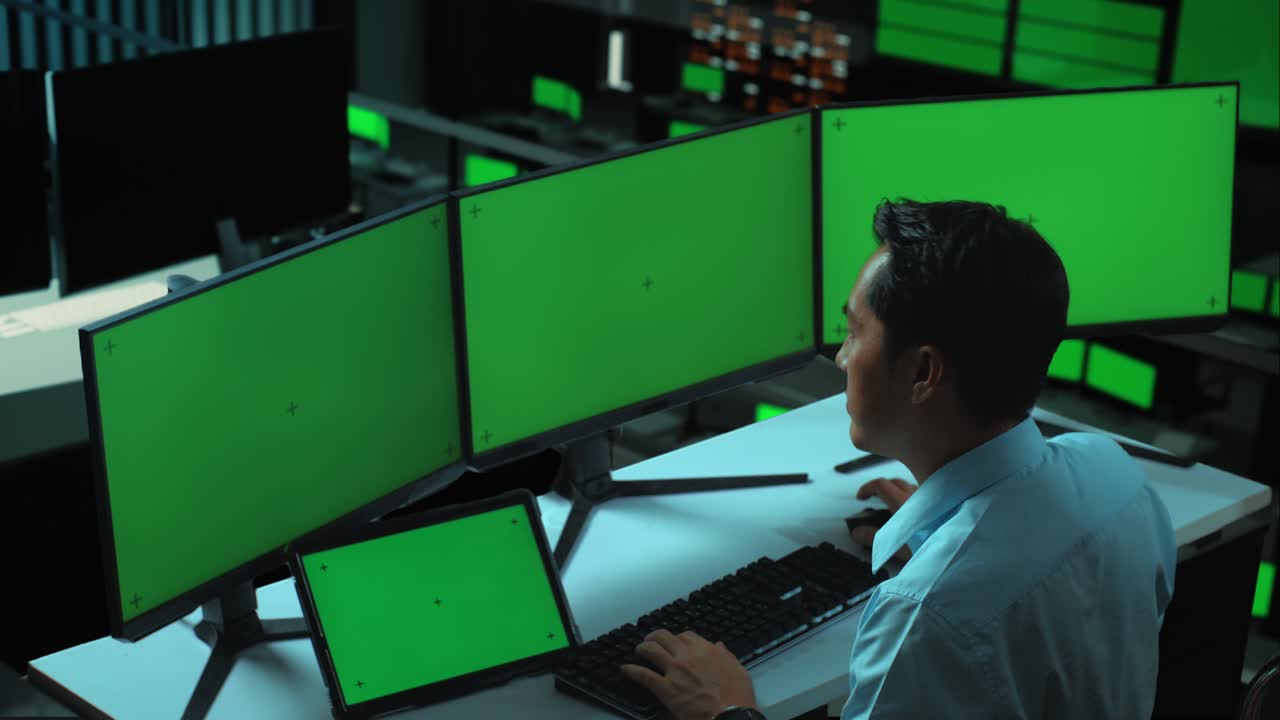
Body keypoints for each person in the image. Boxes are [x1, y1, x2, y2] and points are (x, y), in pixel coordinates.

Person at [620, 199, 1177, 720]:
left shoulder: (926, 616)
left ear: (923, 373)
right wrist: (945, 527)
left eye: (854, 332)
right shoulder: (1114, 474)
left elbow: (969, 605)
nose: (840, 357)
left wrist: (727, 711)